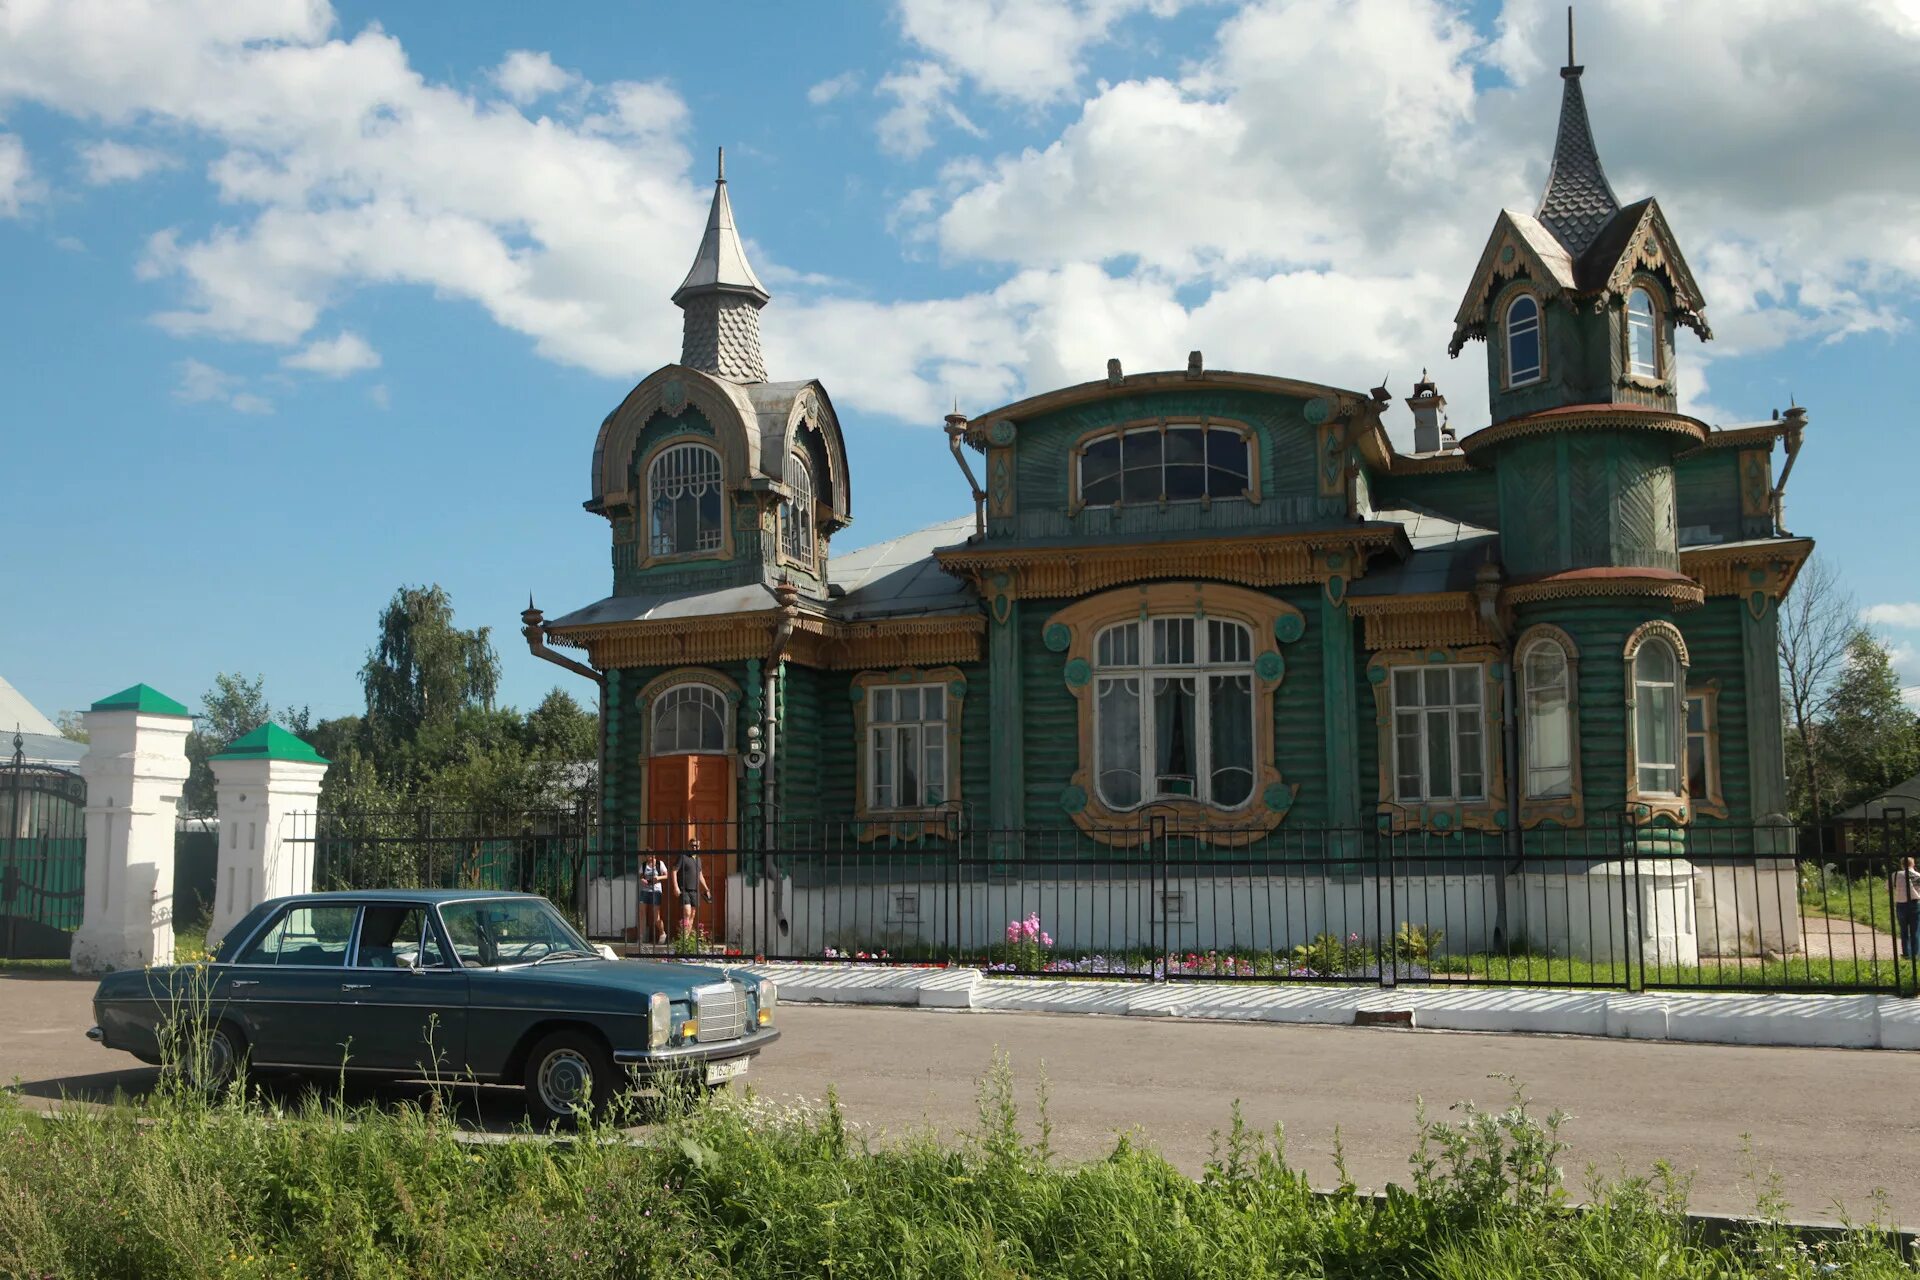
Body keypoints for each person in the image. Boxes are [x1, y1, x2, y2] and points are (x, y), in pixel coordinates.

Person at [676, 838, 712, 943]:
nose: (694, 848)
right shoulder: (683, 857)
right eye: (692, 846)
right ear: (688, 846)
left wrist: (706, 889)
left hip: (695, 891)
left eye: (696, 846)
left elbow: (700, 875)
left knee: (692, 914)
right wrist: (676, 887)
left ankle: (686, 940)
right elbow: (674, 871)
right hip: (684, 889)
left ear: (699, 847)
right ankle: (684, 938)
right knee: (687, 912)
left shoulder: (698, 859)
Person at [637, 850, 668, 945]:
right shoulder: (643, 865)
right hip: (645, 891)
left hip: (656, 890)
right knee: (642, 913)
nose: (650, 857)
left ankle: (662, 933)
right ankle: (641, 937)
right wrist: (643, 880)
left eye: (651, 855)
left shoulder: (660, 863)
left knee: (656, 916)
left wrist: (658, 878)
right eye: (648, 856)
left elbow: (666, 875)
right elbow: (641, 876)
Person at [1892, 855, 1920, 960]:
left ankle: (1906, 953)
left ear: (1902, 865)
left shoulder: (1895, 875)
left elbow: (1887, 888)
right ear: (1913, 864)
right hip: (1915, 904)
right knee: (1915, 930)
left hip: (1900, 904)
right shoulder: (1917, 875)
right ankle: (1915, 953)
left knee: (1903, 930)